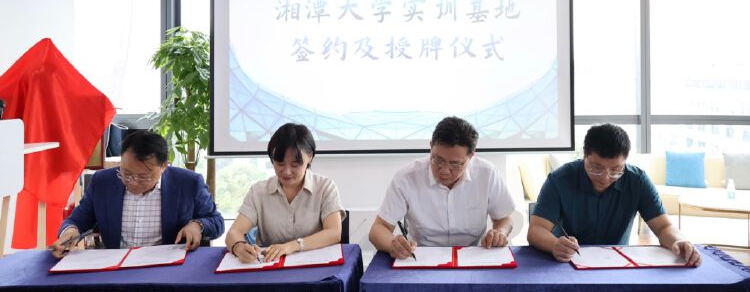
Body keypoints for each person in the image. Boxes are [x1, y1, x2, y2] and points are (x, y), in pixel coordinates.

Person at [527, 123, 701, 266]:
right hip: (566, 261)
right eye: (596, 168)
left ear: (625, 161)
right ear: (584, 156)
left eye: (616, 170)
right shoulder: (560, 180)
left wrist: (678, 241)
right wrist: (555, 245)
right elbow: (536, 230)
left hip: (616, 264)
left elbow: (663, 227)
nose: (605, 177)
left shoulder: (637, 181)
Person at [51, 130, 224, 257]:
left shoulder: (188, 183)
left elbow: (216, 222)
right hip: (116, 265)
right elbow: (76, 221)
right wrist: (69, 232)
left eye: (143, 176)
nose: (132, 181)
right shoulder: (102, 182)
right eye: (126, 173)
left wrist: (197, 225)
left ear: (164, 166)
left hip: (167, 266)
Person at [369, 116, 516, 260]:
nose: (444, 170)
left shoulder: (487, 173)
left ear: (471, 156)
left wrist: (500, 232)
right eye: (437, 160)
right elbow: (378, 229)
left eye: (455, 164)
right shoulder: (406, 178)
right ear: (431, 146)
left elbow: (504, 219)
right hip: (422, 258)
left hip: (474, 256)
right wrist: (392, 244)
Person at [225, 123, 345, 263]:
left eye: (295, 165)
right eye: (280, 164)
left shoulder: (325, 187)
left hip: (315, 266)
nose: (287, 172)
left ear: (310, 157)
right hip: (270, 267)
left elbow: (334, 233)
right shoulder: (259, 191)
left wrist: (292, 246)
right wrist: (239, 247)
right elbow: (234, 232)